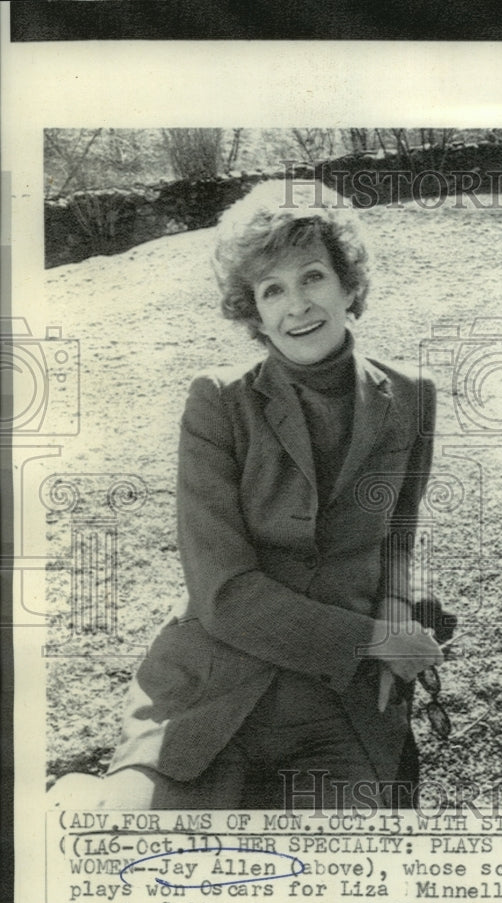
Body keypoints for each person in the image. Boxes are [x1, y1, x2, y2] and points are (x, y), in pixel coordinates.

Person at [79, 179, 443, 809]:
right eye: (272, 290)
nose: (296, 305)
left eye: (312, 277)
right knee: (128, 849)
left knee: (338, 887)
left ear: (349, 284)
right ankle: (80, 800)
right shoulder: (218, 402)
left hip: (339, 704)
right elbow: (223, 594)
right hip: (212, 690)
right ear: (253, 312)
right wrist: (375, 640)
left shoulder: (412, 395)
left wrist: (396, 608)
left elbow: (400, 538)